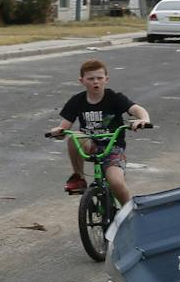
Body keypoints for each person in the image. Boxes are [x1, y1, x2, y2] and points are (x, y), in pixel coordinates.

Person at [49, 59, 150, 203]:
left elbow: (136, 109)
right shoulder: (77, 100)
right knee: (74, 137)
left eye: (99, 78)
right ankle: (78, 177)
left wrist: (143, 119)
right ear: (82, 80)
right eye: (90, 79)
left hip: (113, 147)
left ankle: (129, 213)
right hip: (91, 145)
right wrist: (57, 132)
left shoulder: (114, 98)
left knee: (116, 183)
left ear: (106, 80)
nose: (95, 82)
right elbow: (63, 129)